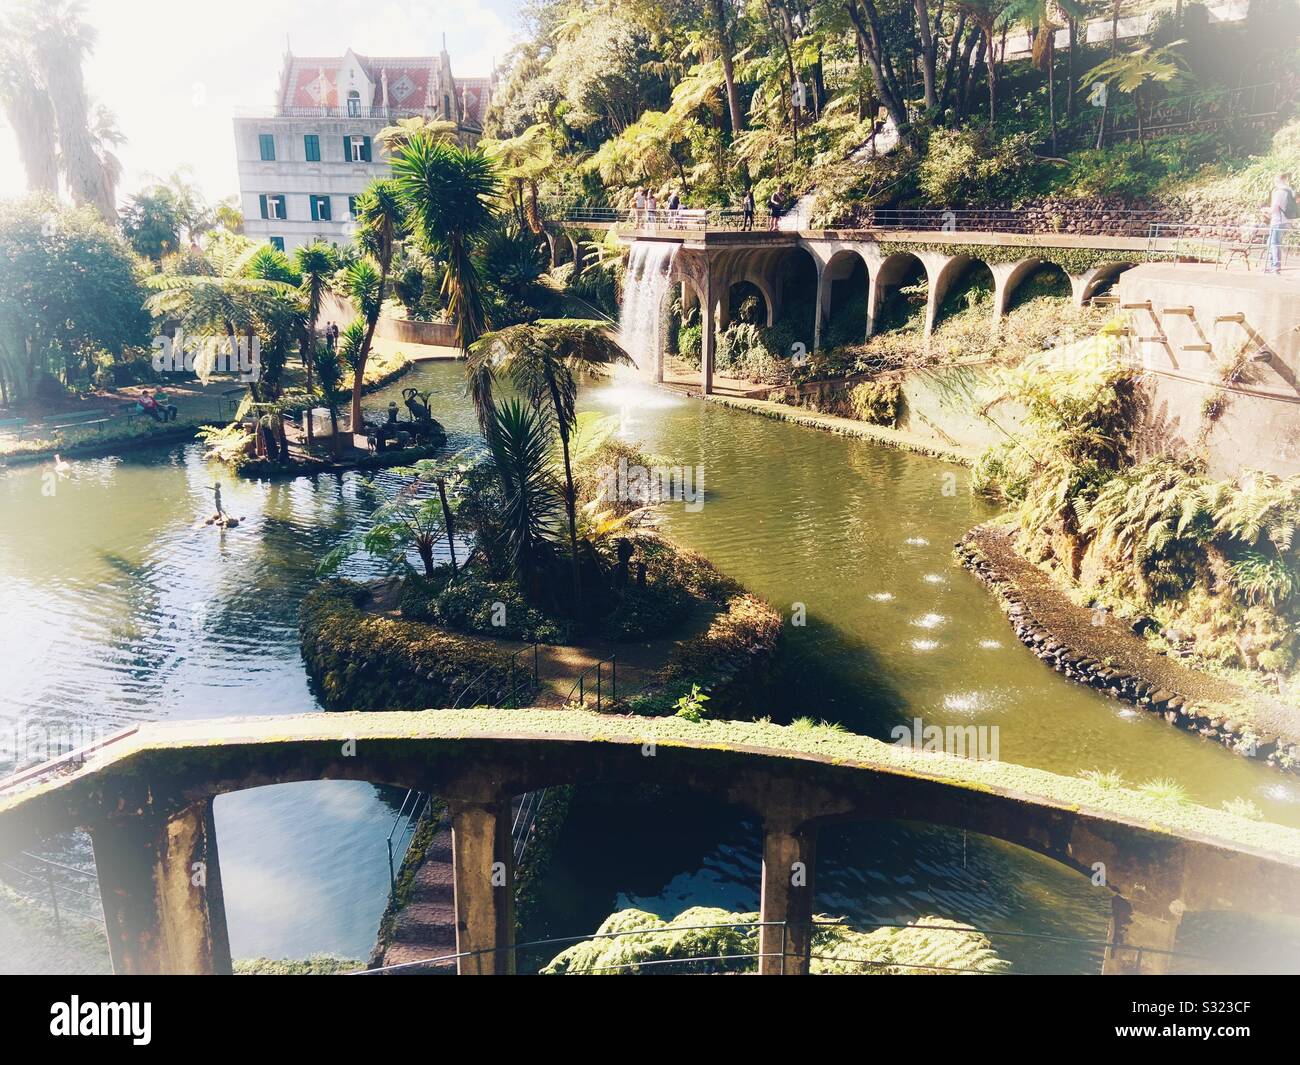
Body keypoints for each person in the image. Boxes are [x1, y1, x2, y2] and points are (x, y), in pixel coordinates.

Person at [1265, 171, 1295, 275]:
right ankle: (1272, 265)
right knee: (1271, 242)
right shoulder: (1290, 190)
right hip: (1287, 221)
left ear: (1277, 180)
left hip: (1278, 221)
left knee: (1274, 243)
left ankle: (1275, 267)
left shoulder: (1278, 192)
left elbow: (1274, 208)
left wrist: (1264, 210)